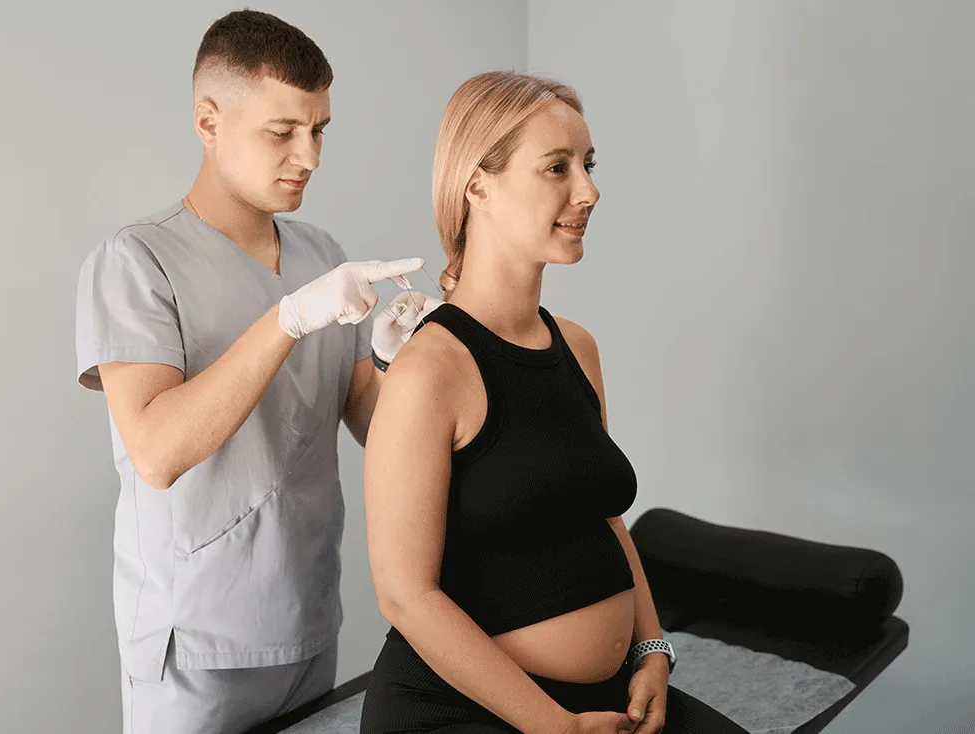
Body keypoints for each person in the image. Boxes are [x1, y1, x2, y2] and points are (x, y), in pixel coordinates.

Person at [73, 10, 436, 734]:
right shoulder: (136, 263)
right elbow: (157, 450)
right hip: (196, 647)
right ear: (209, 121)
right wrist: (285, 320)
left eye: (319, 129)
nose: (310, 155)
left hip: (307, 619)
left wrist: (393, 361)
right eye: (283, 132)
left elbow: (368, 421)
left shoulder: (319, 253)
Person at [358, 72, 744, 734]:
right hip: (463, 710)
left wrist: (653, 654)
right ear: (477, 184)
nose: (588, 191)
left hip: (610, 697)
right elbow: (406, 595)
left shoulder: (579, 348)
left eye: (587, 166)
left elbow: (605, 517)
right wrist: (551, 727)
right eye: (557, 168)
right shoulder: (431, 371)